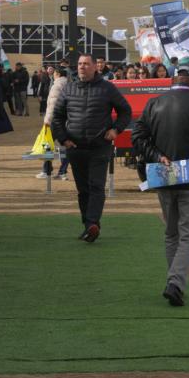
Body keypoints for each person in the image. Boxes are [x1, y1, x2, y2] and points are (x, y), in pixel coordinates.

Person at [131, 64, 189, 306]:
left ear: (173, 79)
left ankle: (175, 281)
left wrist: (157, 156)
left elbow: (137, 136)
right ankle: (175, 283)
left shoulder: (154, 103)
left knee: (172, 232)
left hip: (164, 174)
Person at [51, 53, 132, 242]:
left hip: (99, 147)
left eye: (86, 64)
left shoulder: (107, 88)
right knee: (83, 190)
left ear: (96, 67)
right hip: (75, 147)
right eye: (80, 64)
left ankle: (92, 223)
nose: (82, 67)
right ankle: (89, 226)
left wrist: (116, 130)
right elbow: (57, 117)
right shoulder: (68, 88)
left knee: (96, 186)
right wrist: (63, 139)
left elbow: (125, 111)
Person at [38, 66, 70, 180]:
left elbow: (52, 105)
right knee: (65, 146)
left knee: (47, 145)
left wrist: (47, 121)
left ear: (57, 74)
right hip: (67, 121)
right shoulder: (69, 85)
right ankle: (62, 172)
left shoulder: (57, 85)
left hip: (55, 121)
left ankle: (46, 170)